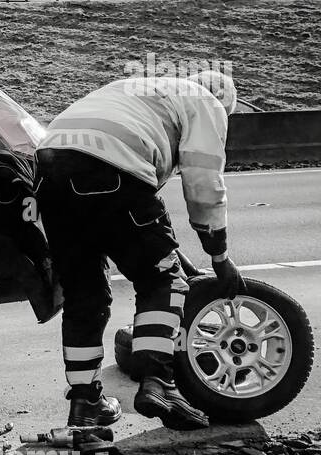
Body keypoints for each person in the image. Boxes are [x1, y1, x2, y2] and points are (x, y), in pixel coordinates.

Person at [34, 69, 246, 431]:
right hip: (111, 167)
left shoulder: (139, 89)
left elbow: (129, 222)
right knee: (162, 283)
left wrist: (170, 251)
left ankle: (86, 403)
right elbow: (203, 181)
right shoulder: (208, 103)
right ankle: (159, 382)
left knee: (84, 293)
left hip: (49, 169)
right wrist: (218, 254)